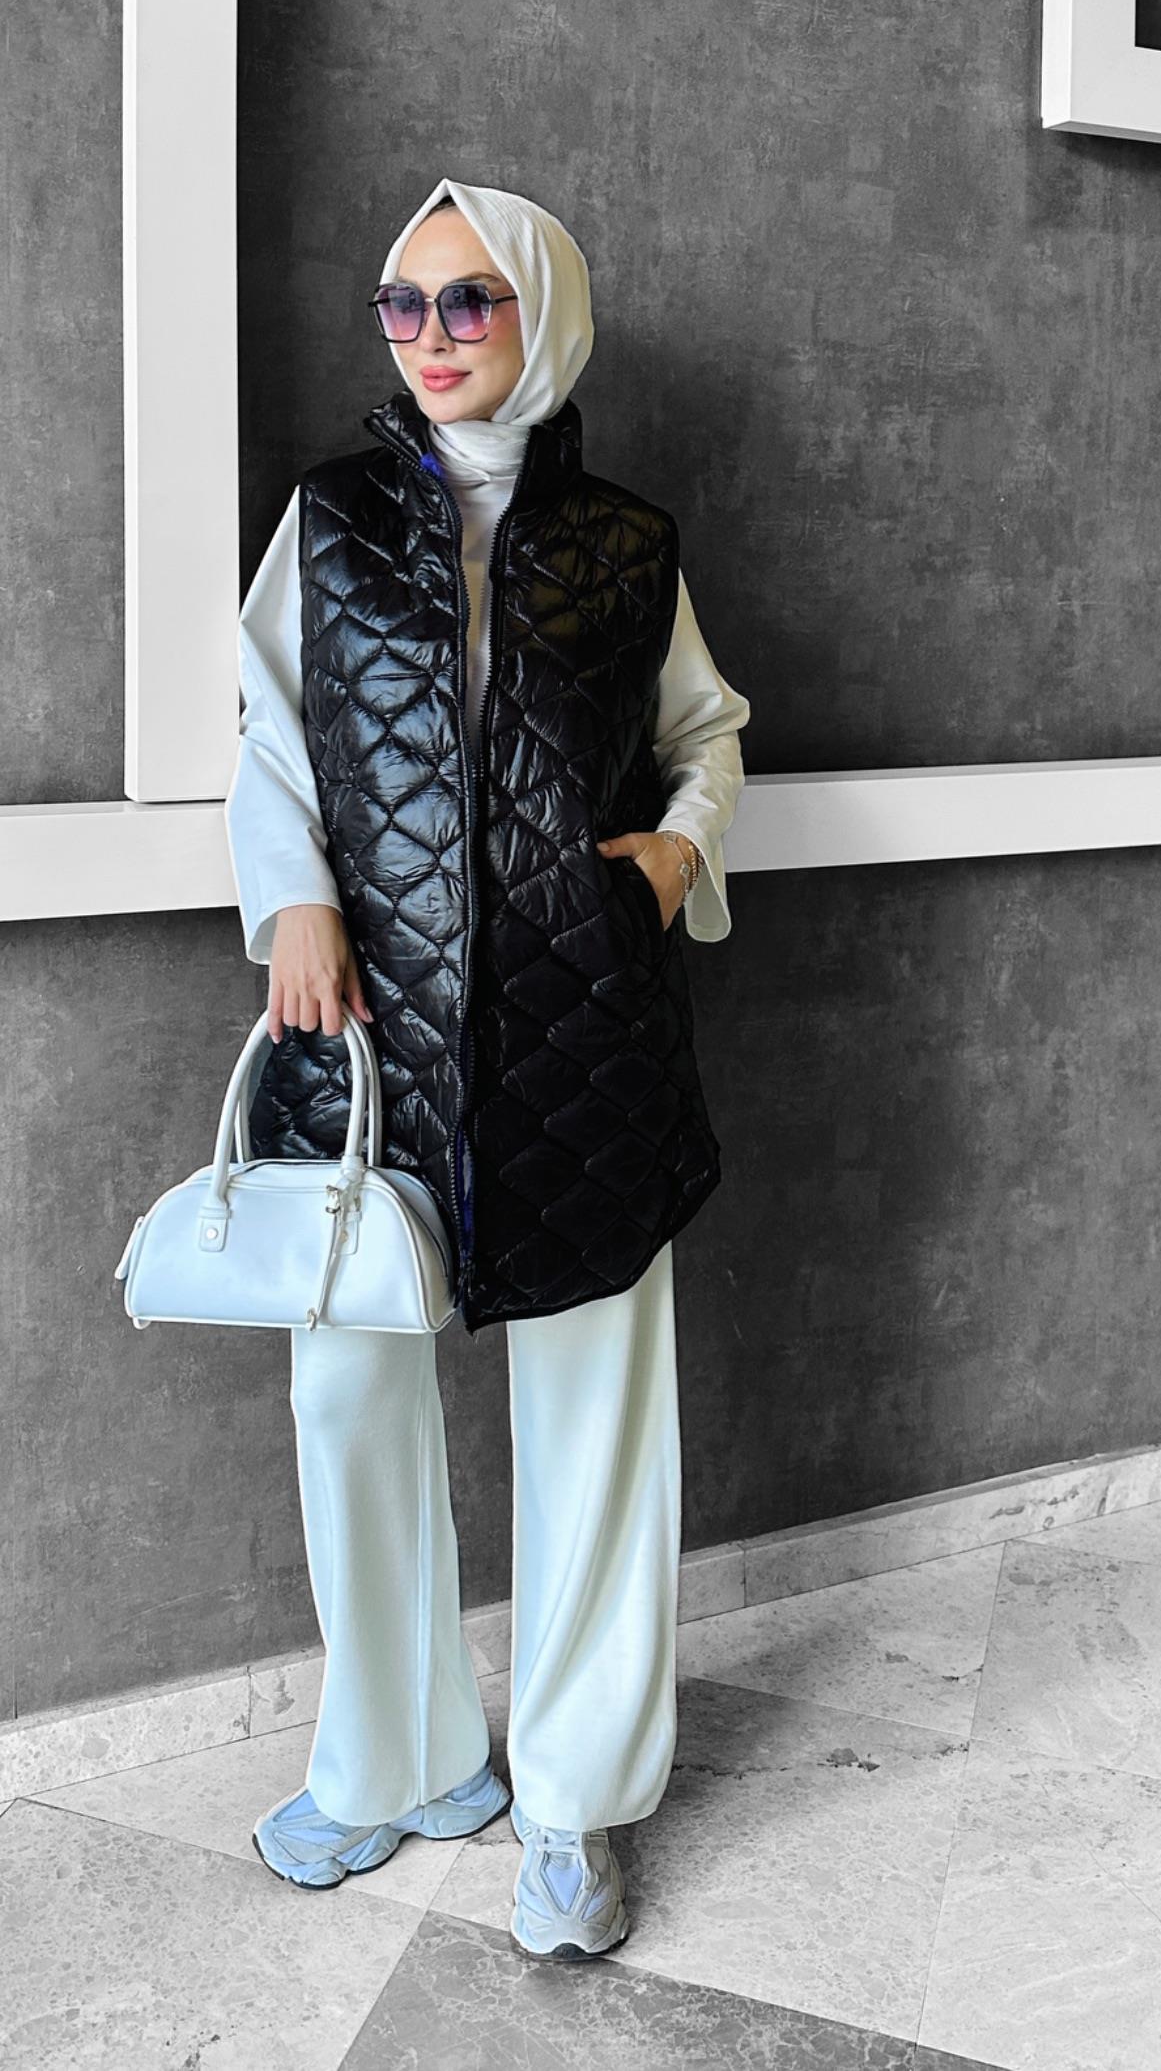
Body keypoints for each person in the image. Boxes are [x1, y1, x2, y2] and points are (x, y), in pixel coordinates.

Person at [225, 177, 750, 1960]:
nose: (432, 336)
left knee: (597, 1414)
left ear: (543, 312)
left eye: (471, 301)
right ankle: (398, 1761)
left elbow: (708, 732)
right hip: (365, 1031)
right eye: (404, 304)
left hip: (584, 1028)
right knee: (349, 1394)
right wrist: (294, 905)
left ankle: (577, 1804)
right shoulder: (328, 518)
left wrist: (674, 857)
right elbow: (270, 726)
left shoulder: (627, 542)